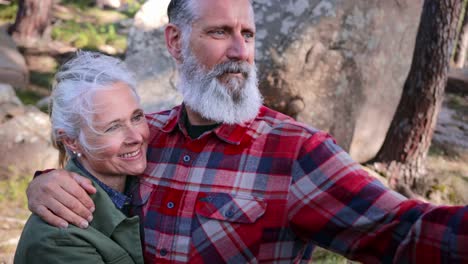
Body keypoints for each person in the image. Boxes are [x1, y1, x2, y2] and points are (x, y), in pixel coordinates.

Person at [26, 0, 468, 263]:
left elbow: (405, 231)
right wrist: (48, 181)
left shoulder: (296, 153)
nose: (240, 52)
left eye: (249, 35)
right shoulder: (147, 137)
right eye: (219, 32)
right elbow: (92, 167)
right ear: (175, 42)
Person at [14, 51, 147, 264]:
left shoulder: (135, 174)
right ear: (71, 141)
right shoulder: (58, 239)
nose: (136, 137)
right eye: (113, 127)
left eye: (137, 117)